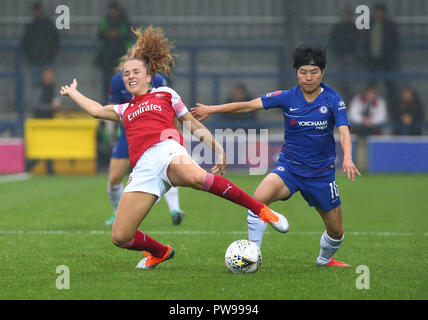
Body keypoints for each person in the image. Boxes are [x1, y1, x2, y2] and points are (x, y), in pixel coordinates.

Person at [60, 25, 288, 270]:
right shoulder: (124, 109)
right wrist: (74, 93)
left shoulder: (165, 94)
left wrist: (218, 148)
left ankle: (262, 211)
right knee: (121, 236)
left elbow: (191, 124)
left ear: (149, 77)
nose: (130, 76)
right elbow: (95, 110)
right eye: (126, 74)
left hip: (167, 149)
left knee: (195, 177)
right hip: (143, 170)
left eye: (136, 72)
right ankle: (159, 252)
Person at [192, 45, 360, 267]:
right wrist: (212, 109)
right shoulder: (287, 97)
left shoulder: (333, 99)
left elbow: (343, 129)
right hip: (289, 169)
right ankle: (252, 256)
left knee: (336, 232)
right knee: (257, 201)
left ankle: (325, 259)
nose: (308, 78)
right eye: (303, 72)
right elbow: (248, 106)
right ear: (296, 72)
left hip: (321, 174)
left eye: (314, 72)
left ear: (323, 72)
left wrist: (347, 157)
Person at [105, 46, 185, 226]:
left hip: (155, 132)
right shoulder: (118, 80)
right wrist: (111, 132)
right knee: (114, 178)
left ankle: (174, 208)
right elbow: (111, 107)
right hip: (128, 133)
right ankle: (118, 212)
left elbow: (169, 108)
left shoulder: (157, 79)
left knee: (170, 169)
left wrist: (174, 132)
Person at [362, 3, 400, 110]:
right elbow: (365, 42)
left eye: (380, 12)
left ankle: (393, 111)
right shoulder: (369, 25)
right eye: (376, 12)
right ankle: (368, 111)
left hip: (386, 60)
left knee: (390, 87)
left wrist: (390, 57)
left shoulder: (389, 25)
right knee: (371, 86)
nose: (378, 14)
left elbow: (395, 42)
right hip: (373, 60)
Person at [95, 1, 133, 104]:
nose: (113, 12)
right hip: (107, 60)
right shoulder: (105, 22)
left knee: (122, 83)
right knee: (106, 84)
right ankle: (106, 105)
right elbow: (100, 36)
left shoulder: (124, 22)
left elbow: (129, 38)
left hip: (121, 58)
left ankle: (122, 104)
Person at [21, 2, 60, 88]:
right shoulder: (31, 27)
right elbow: (25, 43)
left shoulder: (49, 26)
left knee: (48, 84)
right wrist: (31, 56)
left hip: (47, 60)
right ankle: (39, 101)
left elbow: (55, 42)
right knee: (37, 84)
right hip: (35, 61)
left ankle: (46, 101)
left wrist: (50, 55)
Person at [328, 8, 360, 104]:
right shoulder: (337, 27)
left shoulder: (353, 28)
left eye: (346, 15)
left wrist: (352, 53)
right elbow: (332, 40)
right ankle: (341, 100)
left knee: (350, 81)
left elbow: (356, 42)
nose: (345, 17)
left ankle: (350, 100)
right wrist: (336, 52)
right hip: (339, 56)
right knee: (340, 80)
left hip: (350, 56)